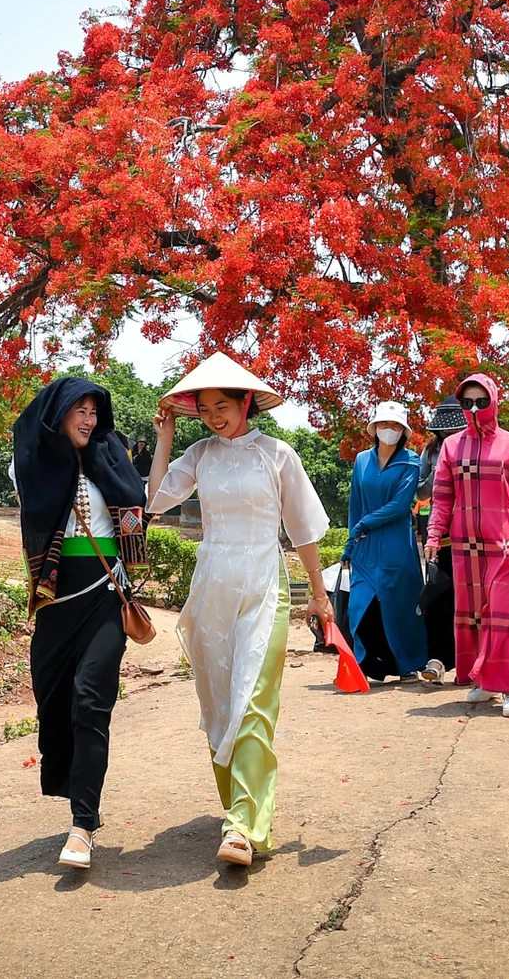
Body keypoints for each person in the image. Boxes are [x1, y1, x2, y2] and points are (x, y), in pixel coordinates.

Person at [147, 353, 333, 867]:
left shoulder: (278, 455)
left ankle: (243, 826)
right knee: (220, 701)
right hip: (212, 585)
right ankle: (240, 806)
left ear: (246, 402)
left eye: (222, 405)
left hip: (263, 582)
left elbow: (304, 530)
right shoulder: (200, 454)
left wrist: (318, 596)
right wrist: (164, 438)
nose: (212, 416)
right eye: (203, 408)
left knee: (253, 697)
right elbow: (156, 500)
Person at [11, 375, 149, 871]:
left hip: (107, 595)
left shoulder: (111, 458)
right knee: (56, 701)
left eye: (95, 411)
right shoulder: (31, 463)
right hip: (55, 598)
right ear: (60, 413)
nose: (90, 420)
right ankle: (75, 791)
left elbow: (140, 500)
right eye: (80, 410)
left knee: (92, 700)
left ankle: (83, 824)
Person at [425, 374, 509, 718]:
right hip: (465, 546)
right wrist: (434, 536)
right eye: (468, 403)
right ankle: (482, 681)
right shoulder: (451, 447)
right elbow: (442, 498)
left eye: (482, 401)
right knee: (474, 615)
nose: (475, 408)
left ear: (493, 401)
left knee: (505, 617)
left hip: (506, 544)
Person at [343, 402, 426, 682]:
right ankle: (366, 665)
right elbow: (356, 504)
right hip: (365, 546)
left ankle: (408, 666)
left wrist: (365, 524)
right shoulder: (361, 460)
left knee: (398, 605)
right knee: (360, 604)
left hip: (396, 547)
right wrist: (350, 542)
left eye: (394, 426)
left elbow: (400, 505)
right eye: (383, 424)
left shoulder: (411, 462)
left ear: (402, 431)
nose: (388, 430)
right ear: (374, 428)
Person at [413, 398, 468, 678]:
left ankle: (467, 661)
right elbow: (421, 493)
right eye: (444, 432)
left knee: (467, 598)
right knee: (436, 595)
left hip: (470, 531)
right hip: (438, 532)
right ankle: (436, 659)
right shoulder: (430, 451)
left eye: (454, 431)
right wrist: (438, 472)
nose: (449, 437)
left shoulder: (476, 446)